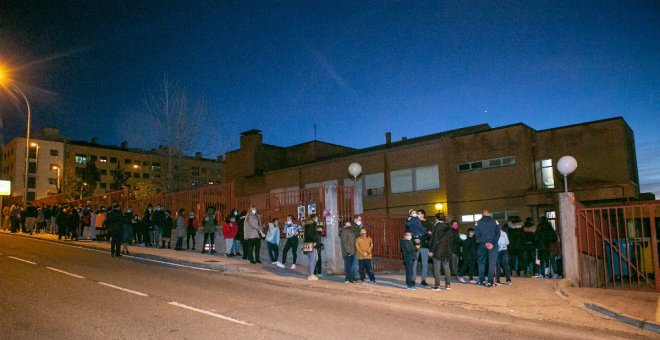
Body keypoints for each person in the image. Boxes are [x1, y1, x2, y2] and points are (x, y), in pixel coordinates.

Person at [475, 210, 500, 287]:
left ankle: (482, 280)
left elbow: (477, 235)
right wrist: (492, 243)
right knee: (492, 263)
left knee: (481, 263)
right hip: (493, 245)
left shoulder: (478, 222)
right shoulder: (495, 222)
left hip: (482, 245)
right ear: (489, 214)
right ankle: (490, 281)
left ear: (482, 215)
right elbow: (498, 233)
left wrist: (485, 243)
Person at [429, 213, 452, 291]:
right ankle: (448, 285)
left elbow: (434, 239)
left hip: (438, 250)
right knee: (446, 267)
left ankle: (437, 285)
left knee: (437, 268)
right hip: (446, 250)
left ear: (436, 218)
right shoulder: (448, 226)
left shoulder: (437, 226)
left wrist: (431, 250)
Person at [415, 209, 434, 286]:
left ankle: (423, 280)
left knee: (424, 264)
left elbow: (430, 235)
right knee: (414, 263)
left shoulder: (428, 223)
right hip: (415, 245)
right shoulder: (415, 223)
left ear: (423, 215)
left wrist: (420, 239)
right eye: (417, 214)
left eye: (419, 214)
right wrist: (416, 241)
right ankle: (413, 279)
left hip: (425, 246)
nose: (418, 215)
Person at [303, 214, 321, 281]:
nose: (317, 219)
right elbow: (310, 234)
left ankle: (311, 274)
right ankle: (310, 275)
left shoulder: (311, 224)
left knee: (315, 259)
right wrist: (314, 241)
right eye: (316, 218)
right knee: (312, 259)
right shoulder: (311, 225)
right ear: (313, 218)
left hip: (312, 244)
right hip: (311, 244)